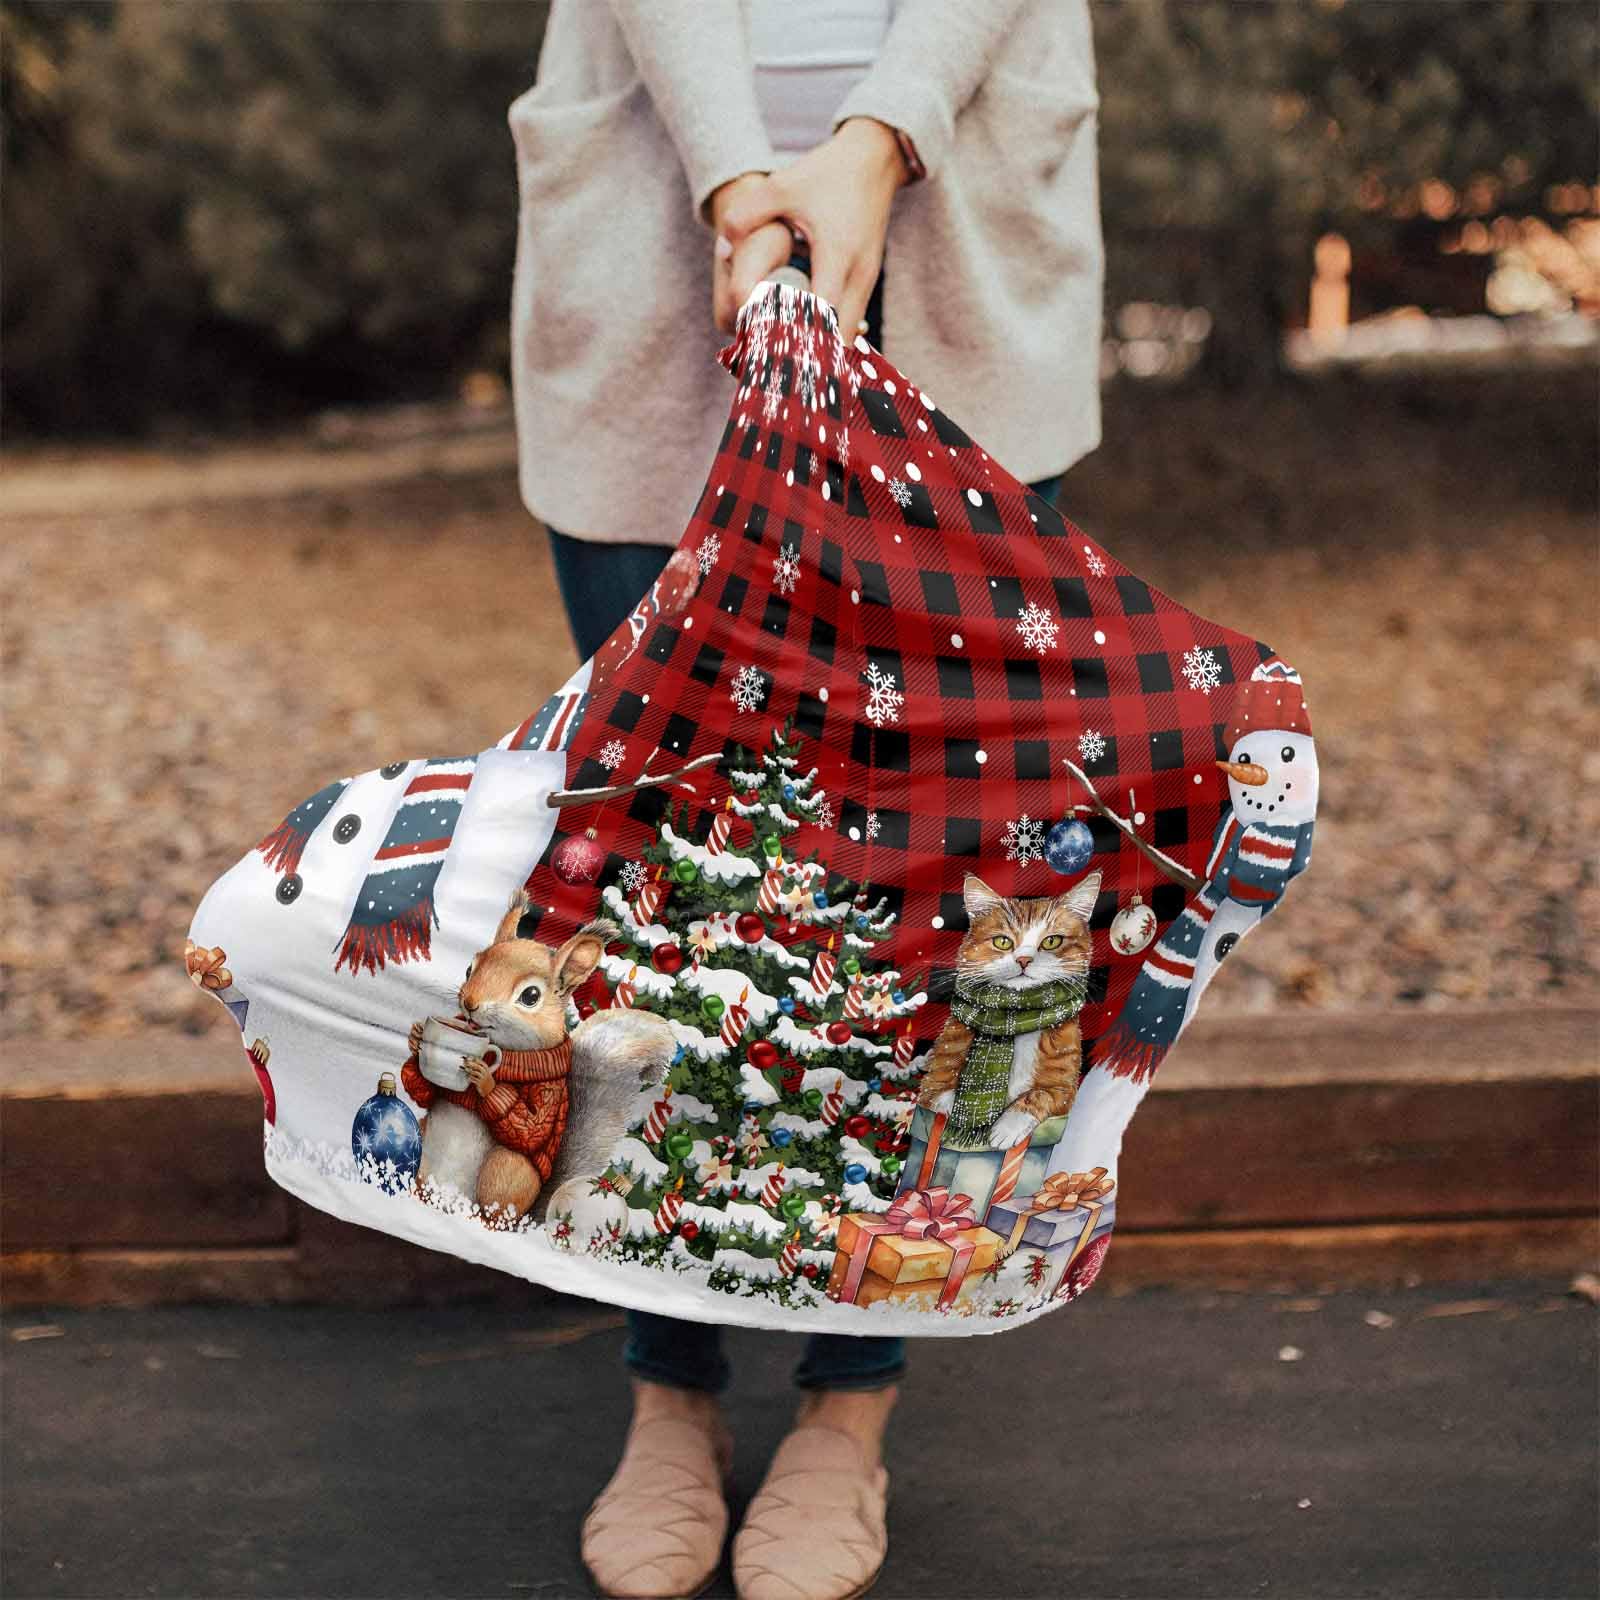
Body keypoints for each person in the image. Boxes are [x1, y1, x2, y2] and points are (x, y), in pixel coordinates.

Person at [507, 4, 1102, 1595]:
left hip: (957, 226)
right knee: (662, 876)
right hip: (657, 218)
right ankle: (670, 1385)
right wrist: (733, 178)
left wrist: (877, 136)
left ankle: (850, 1401)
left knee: (916, 879)